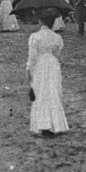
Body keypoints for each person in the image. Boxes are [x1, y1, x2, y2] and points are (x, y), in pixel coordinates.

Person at [28, 8, 70, 136]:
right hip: (53, 64)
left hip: (40, 64)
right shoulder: (57, 37)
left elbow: (32, 57)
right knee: (53, 91)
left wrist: (28, 72)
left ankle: (43, 124)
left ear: (40, 21)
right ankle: (55, 124)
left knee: (40, 92)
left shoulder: (35, 37)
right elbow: (58, 55)